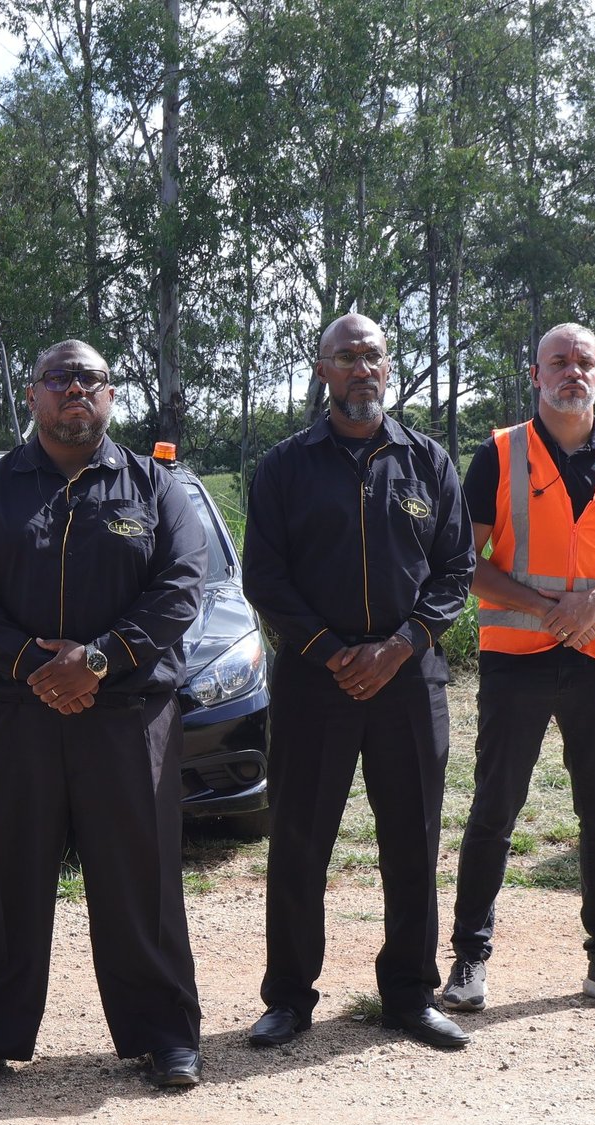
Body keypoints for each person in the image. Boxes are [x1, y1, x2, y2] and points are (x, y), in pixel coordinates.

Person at [0, 340, 207, 1089]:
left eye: (90, 378)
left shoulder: (155, 486)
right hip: (11, 714)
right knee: (4, 879)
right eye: (59, 378)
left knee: (140, 879)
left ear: (111, 396)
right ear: (32, 394)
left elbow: (182, 587)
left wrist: (96, 660)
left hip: (126, 716)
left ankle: (165, 1035)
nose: (74, 389)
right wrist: (32, 664)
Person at [240, 312, 476, 1052]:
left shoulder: (428, 460)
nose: (361, 368)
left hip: (410, 681)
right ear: (321, 372)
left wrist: (402, 646)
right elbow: (265, 578)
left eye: (372, 355)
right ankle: (288, 998)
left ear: (387, 367)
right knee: (300, 843)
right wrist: (336, 652)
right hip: (317, 683)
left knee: (412, 841)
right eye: (345, 357)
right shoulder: (284, 466)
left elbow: (456, 570)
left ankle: (410, 994)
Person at [442, 322, 595, 1018]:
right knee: (495, 812)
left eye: (585, 363)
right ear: (535, 375)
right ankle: (468, 962)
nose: (573, 372)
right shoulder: (500, 454)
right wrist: (546, 606)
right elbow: (462, 563)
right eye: (559, 362)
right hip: (516, 663)